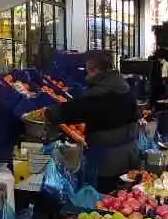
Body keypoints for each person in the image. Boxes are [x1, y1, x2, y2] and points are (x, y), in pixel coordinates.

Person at [46, 50, 140, 192]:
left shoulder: (99, 93)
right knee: (123, 196)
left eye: (88, 71)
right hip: (128, 153)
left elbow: (76, 110)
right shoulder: (123, 86)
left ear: (94, 69)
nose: (86, 75)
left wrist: (49, 113)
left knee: (106, 198)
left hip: (107, 160)